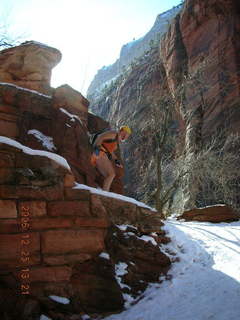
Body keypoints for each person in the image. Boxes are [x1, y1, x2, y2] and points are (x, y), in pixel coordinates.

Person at [91, 126, 132, 191]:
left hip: (102, 154)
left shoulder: (116, 141)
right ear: (122, 131)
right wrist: (96, 149)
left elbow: (111, 152)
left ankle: (104, 192)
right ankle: (105, 193)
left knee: (109, 175)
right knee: (111, 174)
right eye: (125, 134)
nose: (125, 136)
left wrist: (116, 160)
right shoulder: (113, 134)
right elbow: (100, 137)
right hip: (100, 153)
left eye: (127, 135)